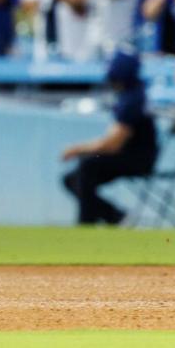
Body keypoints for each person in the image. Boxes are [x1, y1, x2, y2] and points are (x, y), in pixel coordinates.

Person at [61, 48, 159, 226]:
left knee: (87, 165)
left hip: (138, 158)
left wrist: (77, 149)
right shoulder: (130, 94)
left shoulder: (133, 99)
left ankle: (85, 225)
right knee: (71, 180)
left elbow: (113, 144)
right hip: (133, 155)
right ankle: (115, 216)